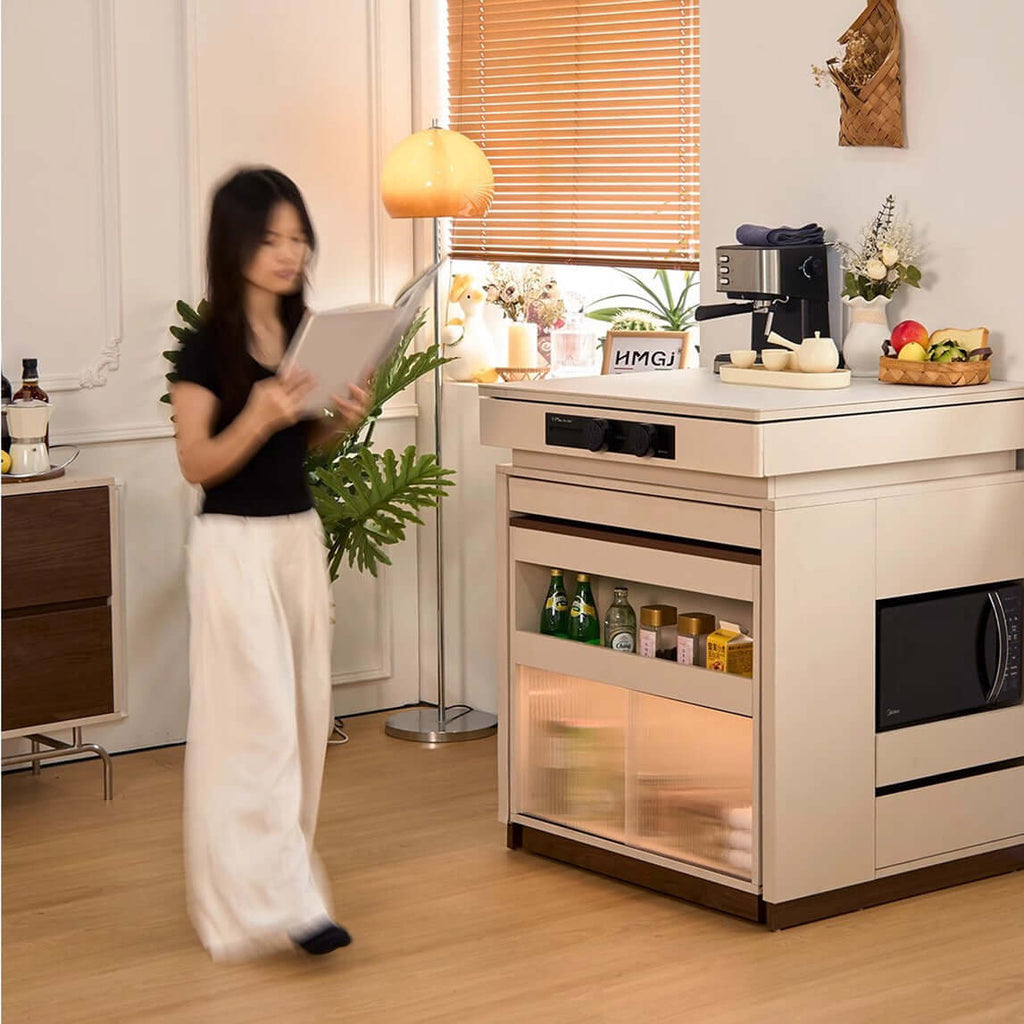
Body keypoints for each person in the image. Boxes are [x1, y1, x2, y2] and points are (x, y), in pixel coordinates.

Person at [171, 167, 366, 961]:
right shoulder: (203, 347)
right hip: (233, 548)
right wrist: (257, 413)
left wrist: (333, 421)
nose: (290, 252)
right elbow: (198, 462)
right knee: (252, 728)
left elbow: (297, 443)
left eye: (298, 236)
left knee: (302, 716)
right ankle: (283, 900)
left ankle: (283, 892)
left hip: (295, 538)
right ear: (236, 245)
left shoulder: (305, 332)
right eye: (270, 238)